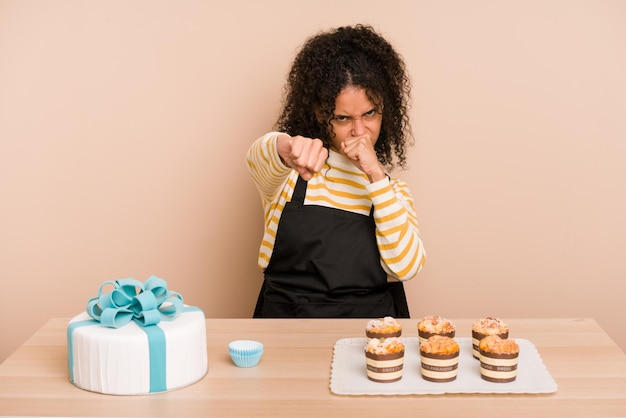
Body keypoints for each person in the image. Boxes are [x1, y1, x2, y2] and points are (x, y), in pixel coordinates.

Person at [246, 24, 425, 318]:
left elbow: (406, 266)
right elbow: (258, 157)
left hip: (370, 340)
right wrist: (285, 146)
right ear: (320, 113)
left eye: (370, 113)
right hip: (286, 330)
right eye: (343, 118)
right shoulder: (292, 171)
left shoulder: (392, 191)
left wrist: (376, 177)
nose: (359, 130)